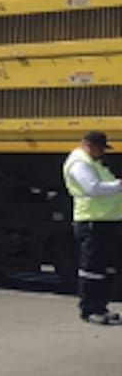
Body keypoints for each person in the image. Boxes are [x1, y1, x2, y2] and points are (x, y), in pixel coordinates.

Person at [63, 130, 122, 325]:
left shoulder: (93, 163)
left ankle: (101, 307)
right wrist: (119, 185)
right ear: (89, 145)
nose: (102, 153)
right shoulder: (79, 163)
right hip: (92, 221)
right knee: (92, 268)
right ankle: (89, 309)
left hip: (105, 221)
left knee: (104, 267)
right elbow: (92, 188)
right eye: (100, 148)